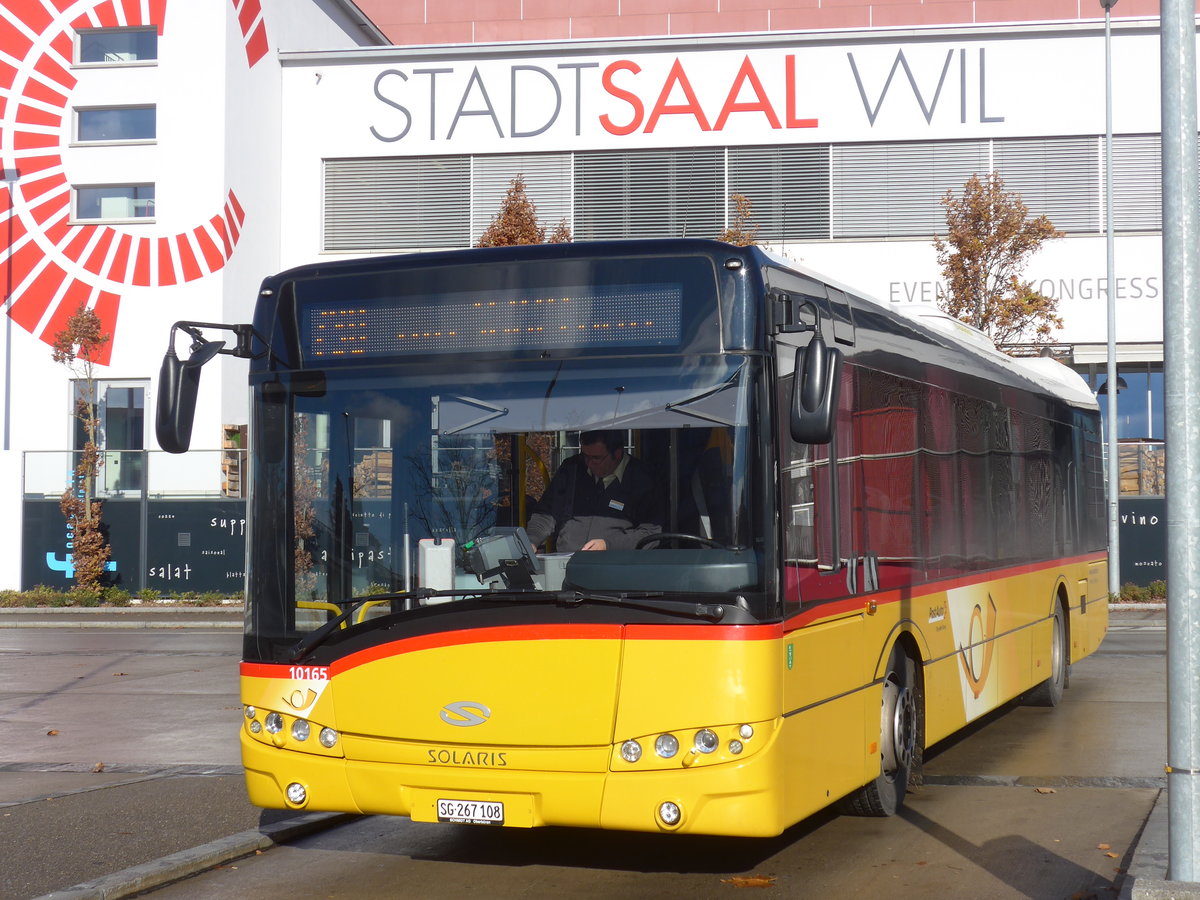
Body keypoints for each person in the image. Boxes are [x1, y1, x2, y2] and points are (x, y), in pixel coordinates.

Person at [525, 431, 663, 552]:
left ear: (617, 453)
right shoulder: (571, 469)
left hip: (617, 568)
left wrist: (608, 545)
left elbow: (650, 534)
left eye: (596, 458)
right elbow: (546, 513)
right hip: (566, 564)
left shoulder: (643, 478)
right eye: (585, 456)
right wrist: (532, 540)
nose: (589, 463)